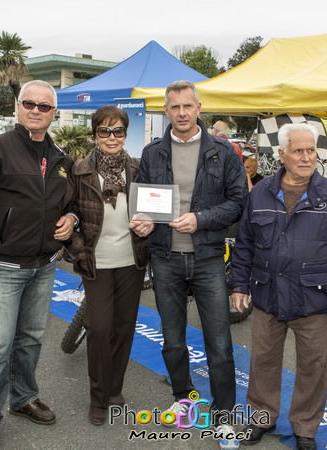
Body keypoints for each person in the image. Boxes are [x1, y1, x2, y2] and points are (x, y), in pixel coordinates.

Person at [0, 80, 78, 450]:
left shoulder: (60, 157)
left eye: (44, 106)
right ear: (17, 106)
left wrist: (71, 217)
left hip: (44, 265)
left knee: (30, 340)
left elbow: (69, 200)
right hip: (4, 265)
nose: (36, 110)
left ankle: (23, 398)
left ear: (54, 113)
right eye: (30, 103)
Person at [229, 123, 327, 450]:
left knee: (313, 368)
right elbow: (244, 244)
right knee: (262, 363)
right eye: (298, 151)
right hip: (267, 295)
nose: (306, 158)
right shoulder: (260, 193)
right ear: (281, 155)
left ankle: (305, 429)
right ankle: (262, 417)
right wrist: (239, 285)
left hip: (314, 300)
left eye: (311, 151)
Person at [130, 80, 247, 449]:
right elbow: (143, 202)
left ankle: (224, 415)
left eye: (187, 106)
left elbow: (237, 202)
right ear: (166, 111)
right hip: (165, 257)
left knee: (220, 341)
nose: (181, 113)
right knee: (173, 339)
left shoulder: (223, 152)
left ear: (199, 108)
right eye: (174, 107)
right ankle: (184, 398)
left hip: (208, 256)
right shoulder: (152, 154)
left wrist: (201, 219)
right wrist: (143, 220)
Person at [66, 106, 149, 426]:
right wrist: (77, 249)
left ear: (126, 135)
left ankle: (114, 389)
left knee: (123, 328)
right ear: (95, 134)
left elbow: (152, 210)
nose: (111, 137)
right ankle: (98, 396)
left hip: (132, 260)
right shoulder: (81, 169)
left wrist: (151, 226)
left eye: (118, 131)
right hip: (97, 261)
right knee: (99, 327)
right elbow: (69, 212)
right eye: (104, 131)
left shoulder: (139, 168)